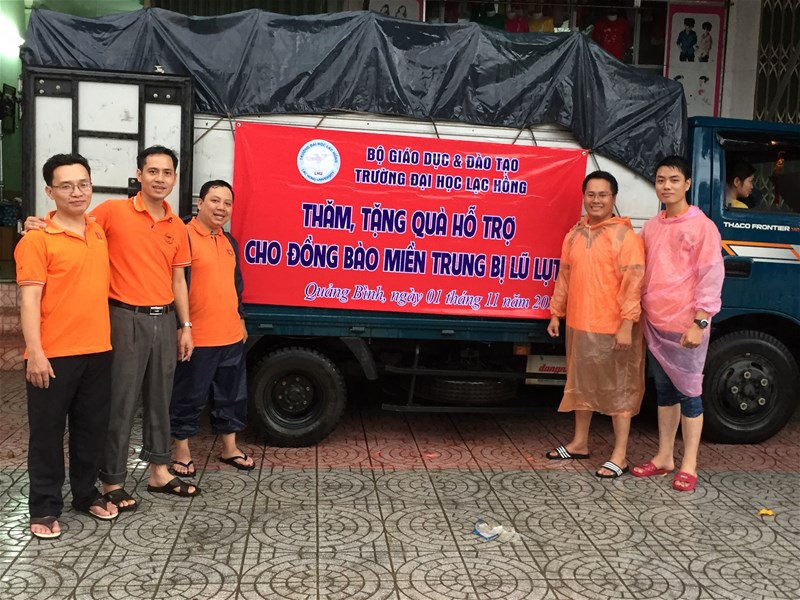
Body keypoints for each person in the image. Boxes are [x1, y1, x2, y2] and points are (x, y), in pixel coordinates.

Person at [24, 145, 200, 510]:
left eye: (167, 173)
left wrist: (185, 325)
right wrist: (35, 222)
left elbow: (179, 280)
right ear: (139, 175)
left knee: (159, 399)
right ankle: (112, 480)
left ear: (175, 178)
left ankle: (159, 470)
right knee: (120, 402)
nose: (160, 179)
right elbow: (67, 221)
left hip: (164, 318)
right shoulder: (110, 213)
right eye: (152, 171)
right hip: (123, 318)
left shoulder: (177, 226)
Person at [16, 154, 118, 539]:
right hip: (53, 354)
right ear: (50, 191)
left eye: (83, 184)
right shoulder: (37, 239)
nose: (77, 192)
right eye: (66, 186)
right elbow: (28, 300)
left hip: (98, 350)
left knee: (91, 430)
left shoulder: (98, 230)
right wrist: (35, 352)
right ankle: (44, 507)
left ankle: (85, 494)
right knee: (47, 434)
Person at [632, 155, 724, 492]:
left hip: (687, 326)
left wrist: (700, 322)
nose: (666, 186)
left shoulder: (702, 226)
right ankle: (664, 456)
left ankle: (689, 464)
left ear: (687, 184)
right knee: (665, 391)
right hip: (656, 325)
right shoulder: (652, 227)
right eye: (660, 180)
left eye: (673, 180)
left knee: (690, 393)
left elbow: (710, 276)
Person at [546, 171, 646, 478]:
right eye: (590, 194)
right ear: (584, 197)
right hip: (579, 323)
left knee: (620, 391)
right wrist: (556, 312)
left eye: (603, 195)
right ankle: (579, 443)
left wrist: (627, 324)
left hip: (614, 328)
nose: (596, 200)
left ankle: (620, 455)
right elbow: (564, 276)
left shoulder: (625, 237)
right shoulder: (574, 235)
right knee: (582, 385)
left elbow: (633, 283)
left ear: (613, 199)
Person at [170, 180, 254, 476]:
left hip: (230, 336)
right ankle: (182, 452)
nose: (221, 208)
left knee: (231, 395)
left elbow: (236, 284)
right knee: (189, 397)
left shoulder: (230, 242)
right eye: (215, 201)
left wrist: (241, 318)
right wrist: (181, 327)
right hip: (197, 337)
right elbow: (173, 285)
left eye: (227, 203)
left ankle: (229, 449)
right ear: (200, 203)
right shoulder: (183, 236)